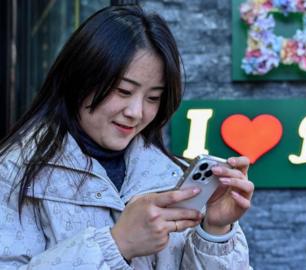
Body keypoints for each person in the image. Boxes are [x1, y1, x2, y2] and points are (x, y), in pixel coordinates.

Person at [0, 5, 254, 270]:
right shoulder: (14, 172)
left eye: (153, 98)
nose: (136, 112)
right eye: (123, 91)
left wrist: (215, 230)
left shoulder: (171, 176)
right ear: (81, 77)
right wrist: (118, 244)